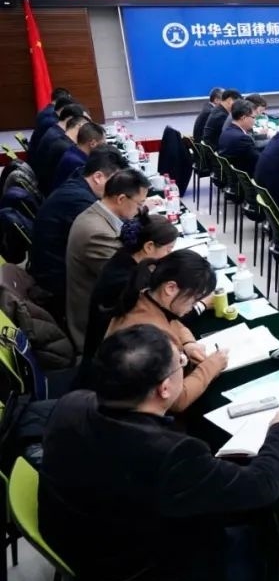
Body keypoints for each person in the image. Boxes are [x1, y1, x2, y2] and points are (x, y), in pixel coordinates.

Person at [39, 325, 279, 581]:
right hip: (134, 566)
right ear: (164, 388)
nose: (184, 366)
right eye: (181, 363)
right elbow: (262, 486)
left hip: (73, 535)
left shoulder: (71, 403)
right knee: (265, 534)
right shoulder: (171, 454)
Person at [105, 250, 227, 412]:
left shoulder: (143, 296)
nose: (193, 305)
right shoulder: (154, 336)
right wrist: (212, 366)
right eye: (194, 299)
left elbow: (172, 321)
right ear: (170, 288)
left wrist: (188, 343)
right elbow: (176, 399)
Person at [30, 146, 128, 317]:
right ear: (98, 177)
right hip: (58, 285)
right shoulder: (81, 202)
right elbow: (112, 235)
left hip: (52, 267)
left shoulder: (79, 180)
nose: (118, 190)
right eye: (115, 183)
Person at [82, 212, 179, 376]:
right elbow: (160, 314)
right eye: (168, 250)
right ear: (149, 247)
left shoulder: (125, 258)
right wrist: (201, 305)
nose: (170, 256)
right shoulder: (128, 282)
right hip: (110, 365)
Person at [66, 168, 151, 352]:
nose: (140, 210)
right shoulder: (97, 232)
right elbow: (133, 277)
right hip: (96, 326)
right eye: (139, 204)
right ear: (121, 199)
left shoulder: (99, 214)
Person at [35, 113, 88, 189]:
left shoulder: (60, 139)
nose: (90, 132)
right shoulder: (67, 148)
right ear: (80, 126)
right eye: (88, 128)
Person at [50, 120, 106, 193]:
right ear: (93, 144)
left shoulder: (74, 150)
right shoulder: (78, 163)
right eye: (103, 144)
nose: (105, 147)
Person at [217, 99, 260, 175]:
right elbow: (259, 161)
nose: (255, 121)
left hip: (231, 174)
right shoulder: (242, 138)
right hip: (245, 177)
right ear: (243, 117)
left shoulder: (226, 131)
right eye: (253, 117)